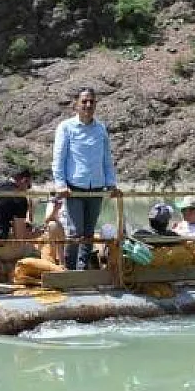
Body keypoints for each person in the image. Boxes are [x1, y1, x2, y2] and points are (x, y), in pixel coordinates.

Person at [52, 87, 119, 270]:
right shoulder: (66, 127)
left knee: (89, 233)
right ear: (76, 104)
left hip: (96, 187)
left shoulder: (101, 129)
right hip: (74, 188)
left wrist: (111, 183)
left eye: (91, 101)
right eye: (84, 101)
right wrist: (60, 184)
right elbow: (59, 158)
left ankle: (83, 270)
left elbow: (106, 158)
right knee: (75, 232)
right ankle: (71, 270)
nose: (88, 105)